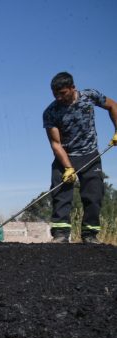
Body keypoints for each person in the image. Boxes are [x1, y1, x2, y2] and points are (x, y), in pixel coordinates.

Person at [43, 72, 117, 244]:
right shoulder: (51, 112)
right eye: (56, 94)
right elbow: (56, 144)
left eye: (63, 93)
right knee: (61, 195)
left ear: (72, 88)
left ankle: (89, 234)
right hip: (65, 157)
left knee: (94, 195)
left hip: (90, 155)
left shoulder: (90, 96)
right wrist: (68, 167)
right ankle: (61, 234)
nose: (59, 98)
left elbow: (113, 106)